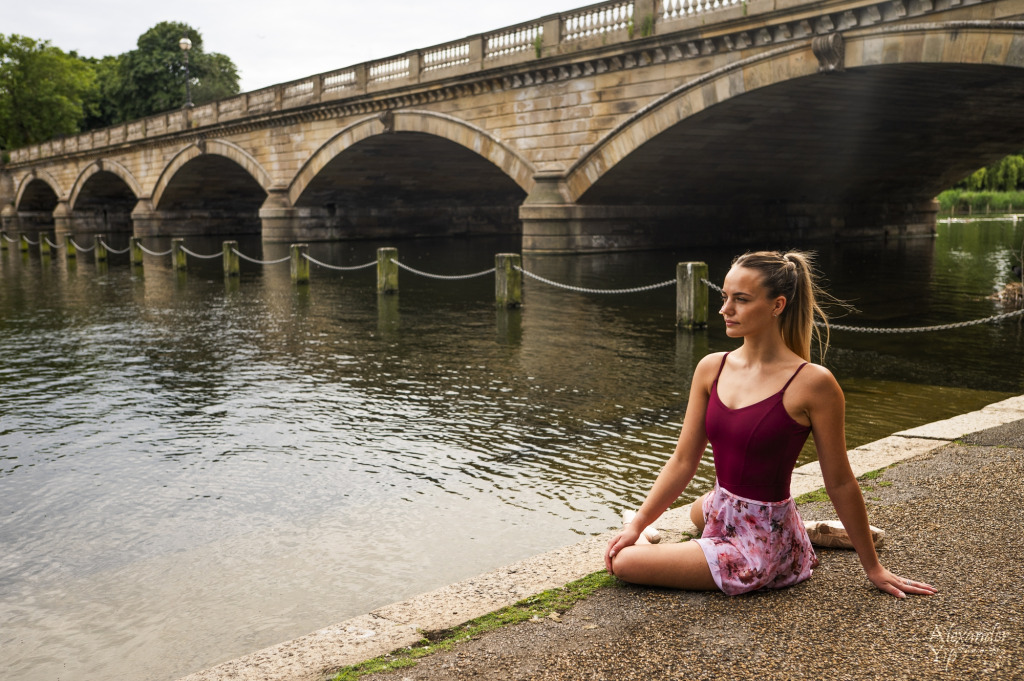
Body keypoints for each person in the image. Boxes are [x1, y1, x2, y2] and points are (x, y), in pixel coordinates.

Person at [604, 250, 937, 599]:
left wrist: (874, 568)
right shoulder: (711, 368)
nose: (725, 310)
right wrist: (641, 523)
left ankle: (789, 539)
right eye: (724, 297)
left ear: (777, 305)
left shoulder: (813, 384)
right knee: (695, 511)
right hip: (726, 507)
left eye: (741, 300)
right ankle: (802, 529)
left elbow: (839, 481)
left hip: (757, 548)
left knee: (624, 562)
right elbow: (683, 461)